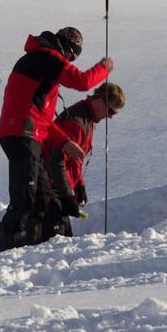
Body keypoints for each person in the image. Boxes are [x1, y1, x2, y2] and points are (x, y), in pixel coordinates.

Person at [0, 27, 113, 251]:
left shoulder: (41, 63)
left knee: (43, 200)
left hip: (26, 133)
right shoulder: (46, 57)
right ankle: (8, 253)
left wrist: (66, 143)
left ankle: (34, 249)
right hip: (22, 134)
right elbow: (82, 82)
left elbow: (42, 119)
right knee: (24, 201)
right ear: (66, 48)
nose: (69, 62)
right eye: (71, 57)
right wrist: (104, 68)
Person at [40, 82, 125, 241]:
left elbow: (73, 160)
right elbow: (55, 162)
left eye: (115, 113)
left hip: (56, 186)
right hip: (49, 187)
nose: (111, 117)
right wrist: (66, 196)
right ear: (100, 101)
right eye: (110, 111)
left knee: (62, 239)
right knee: (55, 242)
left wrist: (79, 185)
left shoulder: (87, 118)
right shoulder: (77, 123)